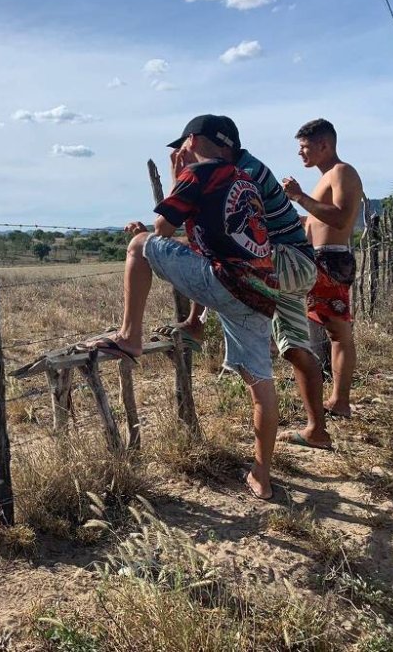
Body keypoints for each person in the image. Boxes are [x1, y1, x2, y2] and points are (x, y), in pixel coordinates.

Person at [87, 115, 280, 500]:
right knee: (261, 385)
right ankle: (262, 475)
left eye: (182, 146)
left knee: (139, 244)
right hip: (261, 291)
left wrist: (179, 178)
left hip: (226, 284)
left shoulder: (200, 172)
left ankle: (129, 336)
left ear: (191, 141)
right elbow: (212, 240)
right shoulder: (244, 180)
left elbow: (161, 230)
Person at [167, 116, 331, 450]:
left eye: (189, 150)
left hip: (283, 260)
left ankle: (197, 325)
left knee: (215, 259)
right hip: (295, 264)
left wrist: (179, 180)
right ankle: (318, 430)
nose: (187, 158)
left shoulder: (239, 175)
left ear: (205, 143)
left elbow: (204, 233)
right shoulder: (243, 169)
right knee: (296, 349)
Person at [281, 119, 363, 419]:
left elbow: (340, 219)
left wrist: (300, 197)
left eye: (304, 147)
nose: (300, 154)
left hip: (330, 261)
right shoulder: (326, 177)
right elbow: (318, 221)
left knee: (339, 334)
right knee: (333, 333)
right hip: (321, 261)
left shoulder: (342, 172)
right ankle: (333, 399)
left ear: (324, 145)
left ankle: (339, 402)